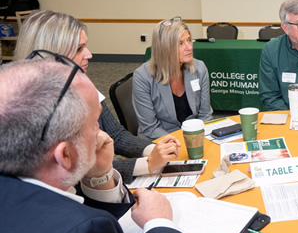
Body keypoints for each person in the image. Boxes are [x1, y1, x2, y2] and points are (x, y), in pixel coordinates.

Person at [0, 58, 190, 233]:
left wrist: (99, 176)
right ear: (65, 155)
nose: (100, 132)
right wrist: (158, 224)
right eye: (94, 124)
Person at [14, 10, 180, 183]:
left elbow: (117, 135)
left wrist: (154, 149)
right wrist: (148, 163)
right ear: (51, 55)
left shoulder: (82, 84)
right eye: (79, 49)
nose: (90, 54)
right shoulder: (40, 113)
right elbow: (83, 172)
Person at [133, 16, 213, 140]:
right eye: (181, 43)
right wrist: (180, 143)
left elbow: (205, 115)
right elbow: (150, 128)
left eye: (189, 40)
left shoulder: (199, 68)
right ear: (165, 48)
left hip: (194, 137)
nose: (189, 47)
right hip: (160, 140)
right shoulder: (143, 76)